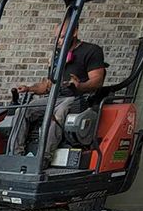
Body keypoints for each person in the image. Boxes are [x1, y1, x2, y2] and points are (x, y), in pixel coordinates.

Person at [8, 19, 106, 161]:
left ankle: (43, 158)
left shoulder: (91, 51)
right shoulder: (57, 55)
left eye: (62, 37)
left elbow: (97, 81)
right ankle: (14, 155)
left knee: (58, 112)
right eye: (57, 38)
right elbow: (48, 85)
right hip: (55, 97)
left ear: (74, 32)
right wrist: (29, 88)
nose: (59, 41)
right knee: (22, 110)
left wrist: (80, 86)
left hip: (78, 98)